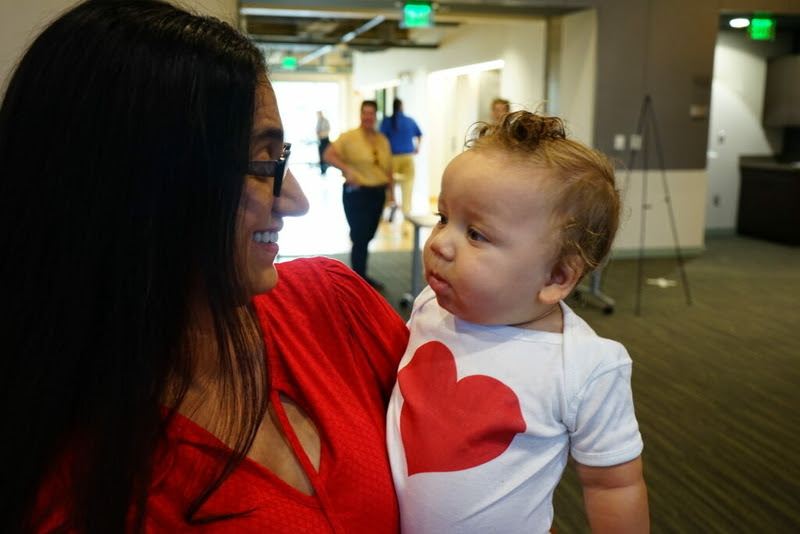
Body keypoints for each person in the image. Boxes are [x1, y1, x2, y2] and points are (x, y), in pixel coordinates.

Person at [0, 2, 409, 533]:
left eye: (281, 158)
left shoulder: (333, 304)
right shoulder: (73, 480)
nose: (296, 200)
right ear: (143, 184)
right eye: (265, 164)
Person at [386, 111, 649, 533]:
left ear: (556, 277)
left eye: (476, 234)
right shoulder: (429, 308)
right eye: (442, 218)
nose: (440, 243)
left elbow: (612, 486)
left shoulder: (585, 365)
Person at [323, 100, 395, 290]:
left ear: (376, 116)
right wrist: (347, 170)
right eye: (365, 113)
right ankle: (359, 282)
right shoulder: (349, 137)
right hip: (356, 194)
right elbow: (328, 155)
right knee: (360, 237)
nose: (368, 117)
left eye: (371, 113)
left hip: (378, 193)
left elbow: (389, 171)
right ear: (360, 114)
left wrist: (393, 196)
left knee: (368, 236)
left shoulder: (383, 140)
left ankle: (360, 277)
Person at [379, 98, 422, 216]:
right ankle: (406, 212)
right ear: (402, 107)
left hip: (392, 158)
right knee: (407, 185)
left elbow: (381, 139)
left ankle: (385, 208)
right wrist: (417, 147)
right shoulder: (409, 121)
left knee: (388, 185)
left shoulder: (386, 122)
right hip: (408, 157)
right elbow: (419, 135)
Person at [315, 110, 331, 174]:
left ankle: (325, 168)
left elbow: (328, 130)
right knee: (320, 154)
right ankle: (322, 169)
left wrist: (321, 133)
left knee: (325, 154)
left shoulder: (325, 121)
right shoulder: (319, 121)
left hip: (325, 139)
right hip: (320, 140)